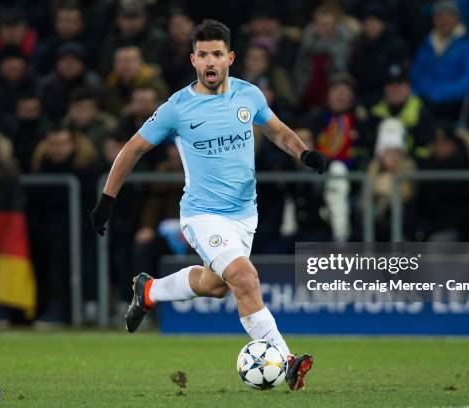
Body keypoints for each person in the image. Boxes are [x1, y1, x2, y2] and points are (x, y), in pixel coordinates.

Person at [90, 19, 324, 391]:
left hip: (245, 214)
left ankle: (149, 292)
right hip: (203, 214)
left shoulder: (249, 95)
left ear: (230, 57)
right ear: (193, 60)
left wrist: (304, 153)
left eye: (217, 54)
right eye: (203, 55)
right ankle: (287, 359)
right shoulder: (177, 108)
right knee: (245, 278)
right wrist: (107, 200)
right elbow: (131, 149)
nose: (210, 62)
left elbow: (277, 131)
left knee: (217, 286)